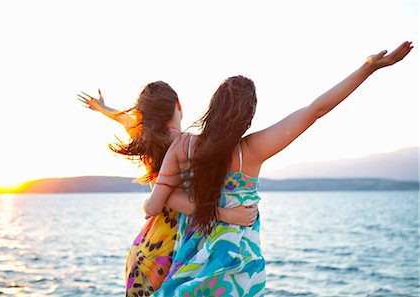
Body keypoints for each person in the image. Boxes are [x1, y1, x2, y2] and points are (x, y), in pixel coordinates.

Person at [143, 41, 414, 296]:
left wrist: (213, 211)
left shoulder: (183, 146)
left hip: (193, 270)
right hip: (240, 271)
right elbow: (315, 110)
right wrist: (367, 69)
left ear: (213, 107)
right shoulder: (250, 151)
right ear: (247, 117)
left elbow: (155, 205)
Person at [77, 81, 258, 296]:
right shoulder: (188, 144)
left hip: (147, 246)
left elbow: (122, 118)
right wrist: (225, 214)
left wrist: (101, 107)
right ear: (178, 105)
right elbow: (170, 199)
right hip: (175, 246)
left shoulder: (146, 138)